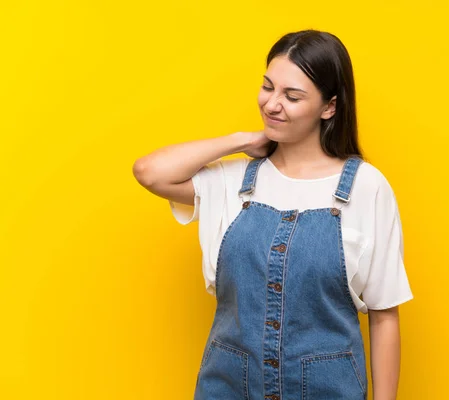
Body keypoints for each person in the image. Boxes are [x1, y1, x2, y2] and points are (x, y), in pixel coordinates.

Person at [133, 29, 413, 400]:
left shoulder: (366, 187)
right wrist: (243, 140)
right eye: (268, 87)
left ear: (329, 107)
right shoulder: (234, 181)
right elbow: (150, 172)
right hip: (228, 387)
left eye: (292, 96)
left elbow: (384, 315)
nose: (272, 104)